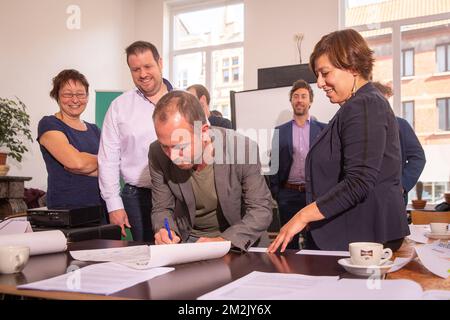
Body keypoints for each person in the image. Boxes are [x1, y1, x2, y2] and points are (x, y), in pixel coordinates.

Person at [268, 29, 410, 253]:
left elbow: (359, 181)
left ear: (352, 67)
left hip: (363, 238)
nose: (320, 83)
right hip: (355, 234)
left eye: (325, 73)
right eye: (318, 75)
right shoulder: (357, 105)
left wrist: (303, 216)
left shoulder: (363, 105)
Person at [149, 90, 272, 251]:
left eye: (181, 146)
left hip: (239, 237)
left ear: (204, 131)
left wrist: (223, 240)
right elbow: (161, 208)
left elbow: (260, 209)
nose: (172, 156)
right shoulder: (156, 152)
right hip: (189, 239)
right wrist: (165, 230)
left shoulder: (243, 149)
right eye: (165, 146)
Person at [98, 41, 174, 241]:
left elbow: (206, 143)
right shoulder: (119, 106)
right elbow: (108, 158)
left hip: (180, 193)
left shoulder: (184, 101)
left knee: (184, 254)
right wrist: (113, 204)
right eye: (135, 69)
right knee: (145, 256)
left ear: (160, 63)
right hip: (138, 198)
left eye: (148, 66)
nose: (143, 74)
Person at [269, 79, 326, 249]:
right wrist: (277, 193)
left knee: (315, 242)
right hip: (288, 195)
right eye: (296, 96)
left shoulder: (323, 129)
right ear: (291, 101)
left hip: (314, 196)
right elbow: (275, 164)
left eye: (303, 96)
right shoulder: (280, 130)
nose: (299, 100)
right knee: (288, 244)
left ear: (310, 101)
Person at [38, 69, 103, 211]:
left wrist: (86, 162)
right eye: (68, 94)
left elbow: (113, 168)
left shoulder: (94, 130)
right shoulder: (49, 124)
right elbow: (76, 163)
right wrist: (102, 162)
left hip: (100, 207)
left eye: (80, 94)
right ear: (57, 96)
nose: (75, 100)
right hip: (66, 210)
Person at [372, 81, 426, 205]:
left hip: (393, 199)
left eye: (386, 102)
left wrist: (402, 185)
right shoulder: (357, 127)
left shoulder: (400, 125)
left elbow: (418, 157)